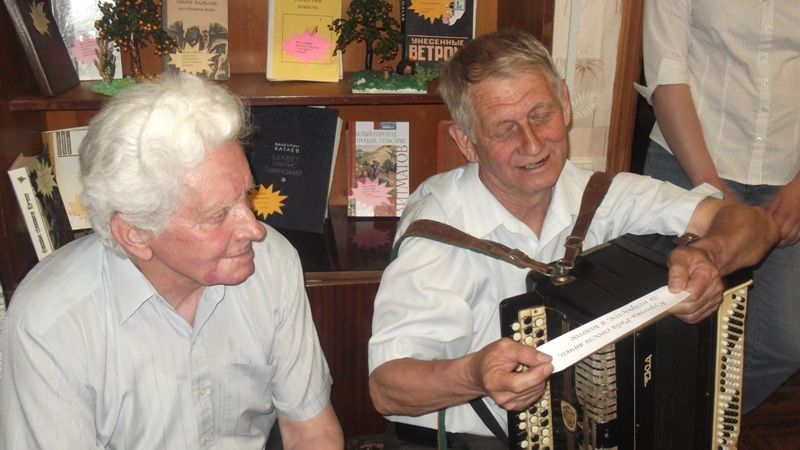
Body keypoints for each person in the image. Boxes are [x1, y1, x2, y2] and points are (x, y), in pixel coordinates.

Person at [367, 28, 778, 448]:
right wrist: (474, 374)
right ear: (466, 142)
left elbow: (754, 223)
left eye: (541, 114)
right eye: (504, 129)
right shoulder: (439, 233)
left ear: (564, 102)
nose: (532, 143)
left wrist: (710, 255)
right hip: (462, 440)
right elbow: (386, 388)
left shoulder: (599, 195)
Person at [0, 73, 344, 449]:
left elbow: (311, 431)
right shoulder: (51, 325)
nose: (255, 229)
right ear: (135, 234)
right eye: (218, 215)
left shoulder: (273, 263)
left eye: (247, 195)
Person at [638, 0, 800, 412]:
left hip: (788, 179)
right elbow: (667, 74)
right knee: (668, 329)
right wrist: (711, 188)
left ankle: (702, 428)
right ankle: (665, 430)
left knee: (785, 340)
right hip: (687, 163)